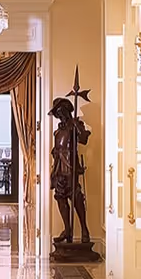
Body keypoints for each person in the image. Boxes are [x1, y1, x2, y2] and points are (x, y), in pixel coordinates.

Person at [49, 96, 92, 245]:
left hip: (71, 168)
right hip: (59, 168)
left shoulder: (74, 125)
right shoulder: (57, 131)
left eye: (60, 112)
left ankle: (85, 230)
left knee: (76, 198)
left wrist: (78, 127)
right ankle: (67, 230)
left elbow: (84, 140)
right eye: (57, 113)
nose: (59, 115)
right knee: (60, 198)